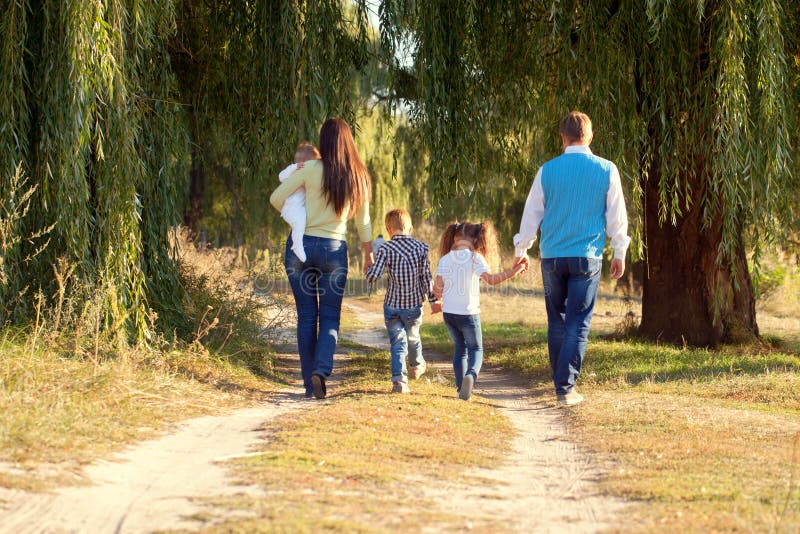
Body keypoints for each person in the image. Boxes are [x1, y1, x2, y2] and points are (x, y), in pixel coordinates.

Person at [513, 111, 630, 406]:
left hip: (552, 257)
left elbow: (532, 214)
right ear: (590, 137)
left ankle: (561, 382)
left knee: (557, 321)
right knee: (578, 321)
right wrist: (620, 251)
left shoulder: (547, 170)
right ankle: (564, 387)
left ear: (563, 138)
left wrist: (521, 250)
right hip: (586, 258)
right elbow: (617, 216)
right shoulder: (606, 169)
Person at [270, 118, 373, 400]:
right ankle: (321, 371)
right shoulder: (360, 175)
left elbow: (276, 197)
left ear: (323, 141)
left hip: (299, 249)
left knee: (306, 317)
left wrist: (298, 218)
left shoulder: (310, 169)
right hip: (333, 250)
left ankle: (307, 385)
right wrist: (368, 252)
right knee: (329, 317)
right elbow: (364, 223)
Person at [433, 221, 527, 400]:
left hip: (449, 314)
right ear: (476, 239)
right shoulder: (475, 257)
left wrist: (439, 299)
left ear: (454, 237)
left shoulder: (445, 258)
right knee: (476, 348)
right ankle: (471, 375)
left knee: (460, 349)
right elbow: (491, 280)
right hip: (468, 313)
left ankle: (461, 387)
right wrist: (513, 272)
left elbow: (437, 290)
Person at [365, 209, 440, 394]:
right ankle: (416, 365)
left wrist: (368, 268)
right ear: (411, 228)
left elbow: (374, 276)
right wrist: (433, 300)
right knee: (413, 337)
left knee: (398, 343)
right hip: (413, 306)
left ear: (389, 229)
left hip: (391, 305)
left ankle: (399, 381)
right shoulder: (421, 248)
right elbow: (426, 278)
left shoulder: (385, 248)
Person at [278, 142, 321, 262]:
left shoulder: (308, 174)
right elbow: (281, 176)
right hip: (291, 208)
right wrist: (294, 167)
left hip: (297, 208)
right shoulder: (294, 171)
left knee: (302, 222)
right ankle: (297, 245)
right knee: (300, 222)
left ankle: (298, 243)